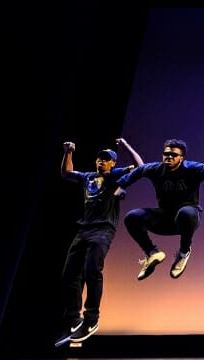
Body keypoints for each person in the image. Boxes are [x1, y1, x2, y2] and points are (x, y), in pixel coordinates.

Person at [54, 138, 144, 347]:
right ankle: (75, 320)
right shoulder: (88, 177)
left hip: (103, 230)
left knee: (92, 271)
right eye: (99, 159)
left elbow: (141, 167)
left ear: (113, 163)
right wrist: (68, 152)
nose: (101, 162)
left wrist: (127, 146)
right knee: (70, 275)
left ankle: (91, 319)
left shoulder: (115, 176)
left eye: (106, 160)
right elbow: (66, 173)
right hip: (83, 229)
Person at [117, 138, 204, 281]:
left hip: (187, 218)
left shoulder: (191, 168)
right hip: (165, 218)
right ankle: (152, 253)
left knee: (184, 212)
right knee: (132, 216)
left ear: (181, 158)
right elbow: (139, 171)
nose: (169, 157)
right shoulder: (155, 169)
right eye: (166, 154)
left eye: (174, 155)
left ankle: (183, 252)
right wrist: (122, 185)